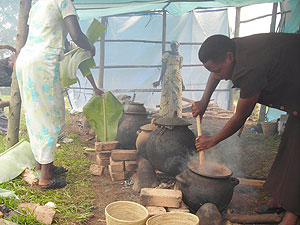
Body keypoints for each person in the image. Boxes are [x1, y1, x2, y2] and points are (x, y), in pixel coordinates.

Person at [192, 33, 300, 225]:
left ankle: (293, 213)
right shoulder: (229, 49)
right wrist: (204, 101)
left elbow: (241, 116)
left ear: (229, 57)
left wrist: (214, 139)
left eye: (219, 71)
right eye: (214, 71)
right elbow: (214, 69)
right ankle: (280, 199)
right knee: (289, 147)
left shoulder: (250, 68)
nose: (218, 76)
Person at [15, 0, 103, 190]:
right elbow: (76, 34)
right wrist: (90, 47)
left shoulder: (38, 5)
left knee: (35, 114)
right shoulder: (63, 1)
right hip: (43, 62)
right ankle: (45, 178)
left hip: (26, 60)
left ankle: (43, 165)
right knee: (50, 116)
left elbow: (49, 35)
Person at [153, 41, 184, 117]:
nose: (174, 47)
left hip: (177, 79)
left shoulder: (180, 57)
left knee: (177, 97)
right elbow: (163, 67)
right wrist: (159, 80)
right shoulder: (166, 55)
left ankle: (176, 115)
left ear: (177, 47)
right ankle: (166, 115)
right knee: (167, 96)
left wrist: (182, 83)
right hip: (168, 78)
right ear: (170, 46)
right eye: (172, 45)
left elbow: (178, 70)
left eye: (175, 46)